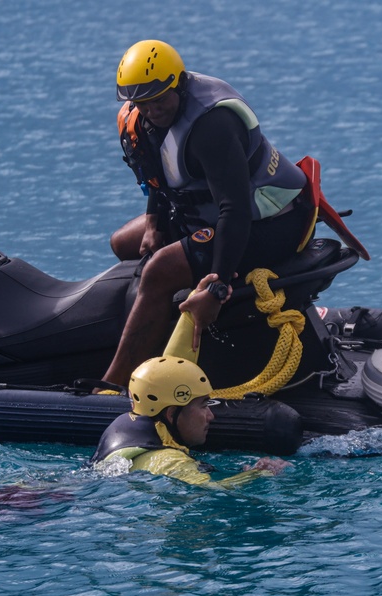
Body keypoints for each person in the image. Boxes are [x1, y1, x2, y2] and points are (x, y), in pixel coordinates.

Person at [101, 39, 315, 387]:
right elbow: (160, 178)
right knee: (124, 242)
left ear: (179, 84)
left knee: (159, 270)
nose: (152, 110)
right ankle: (146, 327)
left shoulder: (212, 126)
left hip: (269, 221)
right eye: (141, 103)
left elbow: (236, 208)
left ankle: (113, 385)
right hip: (210, 214)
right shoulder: (145, 117)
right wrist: (154, 224)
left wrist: (216, 288)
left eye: (158, 100)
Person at [89, 354, 290, 487]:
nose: (211, 416)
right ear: (171, 414)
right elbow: (213, 492)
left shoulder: (125, 430)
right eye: (203, 405)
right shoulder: (169, 462)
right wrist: (260, 475)